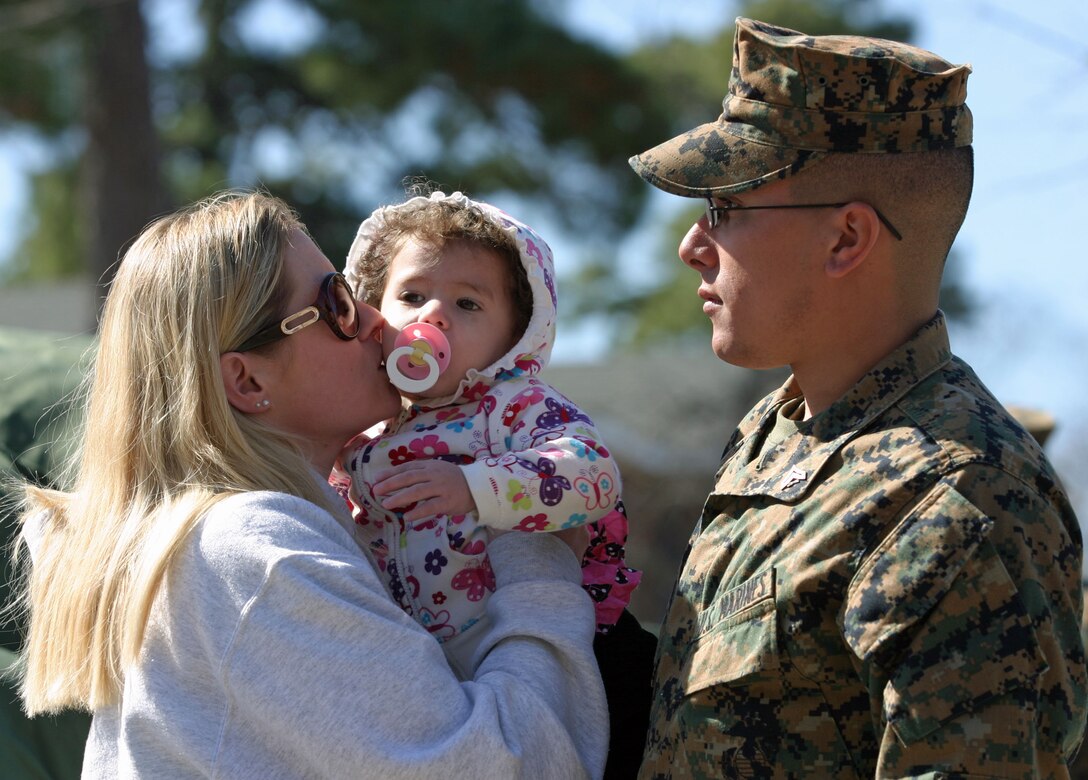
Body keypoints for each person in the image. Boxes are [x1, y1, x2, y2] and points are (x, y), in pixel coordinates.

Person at [11, 191, 608, 778]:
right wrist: (537, 555)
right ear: (247, 382)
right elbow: (516, 765)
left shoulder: (226, 545)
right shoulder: (260, 554)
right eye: (337, 303)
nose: (377, 319)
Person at [627, 17, 1086, 778]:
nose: (692, 246)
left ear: (846, 239)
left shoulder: (956, 496)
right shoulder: (778, 431)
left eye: (725, 209)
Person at [337, 189, 656, 778]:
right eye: (411, 296)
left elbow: (593, 473)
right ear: (373, 313)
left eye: (467, 303)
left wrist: (475, 486)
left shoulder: (511, 406)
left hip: (549, 648)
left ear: (515, 337)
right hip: (436, 672)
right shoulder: (365, 431)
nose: (433, 315)